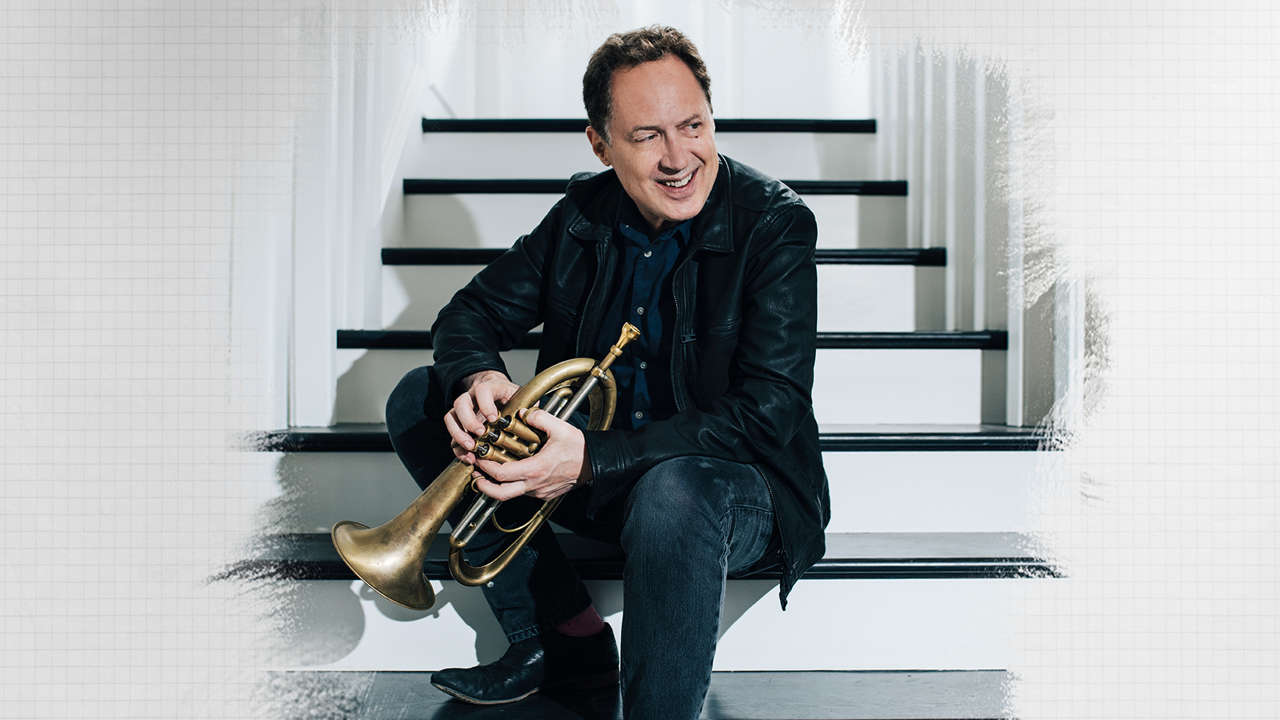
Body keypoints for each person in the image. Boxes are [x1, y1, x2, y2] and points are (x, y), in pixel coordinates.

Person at [383, 25, 830, 719]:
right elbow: (469, 312)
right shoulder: (581, 215)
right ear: (600, 144)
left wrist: (593, 458)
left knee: (675, 489)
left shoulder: (774, 224)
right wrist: (479, 379)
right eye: (647, 136)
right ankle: (564, 640)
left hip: (734, 492)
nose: (679, 158)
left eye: (693, 126)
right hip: (603, 477)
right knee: (422, 397)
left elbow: (770, 410)